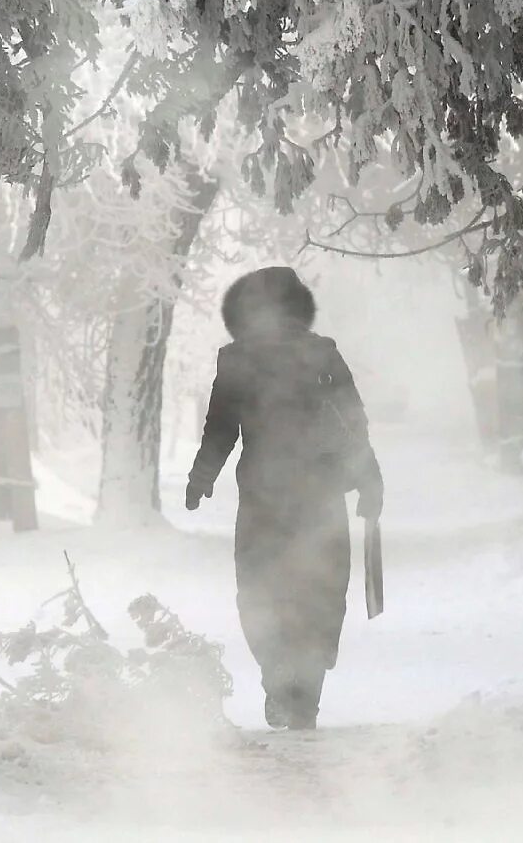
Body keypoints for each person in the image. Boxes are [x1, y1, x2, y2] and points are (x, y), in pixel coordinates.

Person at [185, 267, 383, 731]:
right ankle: (302, 691)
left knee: (261, 589)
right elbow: (353, 424)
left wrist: (203, 475)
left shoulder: (239, 359)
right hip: (317, 496)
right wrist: (369, 480)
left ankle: (279, 679)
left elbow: (219, 427)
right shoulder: (321, 354)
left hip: (263, 501)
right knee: (320, 592)